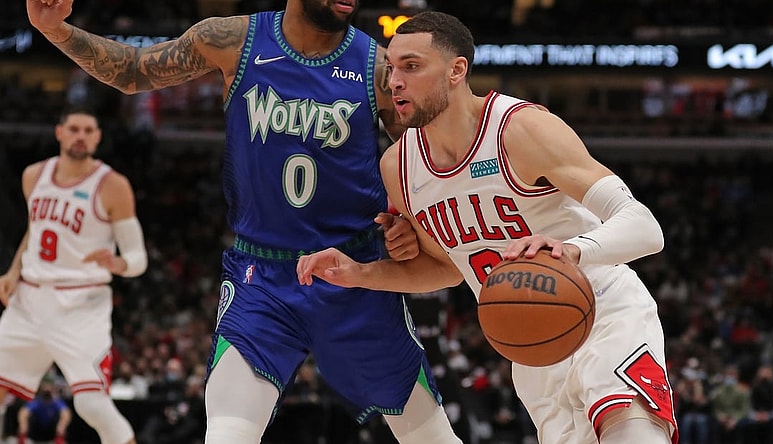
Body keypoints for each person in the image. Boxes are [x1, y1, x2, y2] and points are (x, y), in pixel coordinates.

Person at [26, 1, 462, 443]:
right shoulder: (234, 39)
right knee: (227, 435)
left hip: (356, 273)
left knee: (432, 439)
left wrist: (410, 222)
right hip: (262, 279)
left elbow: (419, 164)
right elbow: (133, 70)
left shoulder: (376, 66)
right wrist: (56, 30)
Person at [297, 11, 680, 444]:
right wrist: (358, 273)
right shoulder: (399, 166)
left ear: (457, 70)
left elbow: (645, 227)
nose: (394, 82)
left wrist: (571, 250)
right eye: (391, 70)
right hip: (530, 346)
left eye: (412, 66)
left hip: (604, 311)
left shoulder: (521, 129)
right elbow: (447, 267)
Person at [0, 106, 146, 444]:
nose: (81, 136)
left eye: (88, 131)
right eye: (74, 129)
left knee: (92, 405)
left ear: (97, 138)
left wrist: (119, 263)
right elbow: (35, 231)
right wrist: (13, 270)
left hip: (82, 303)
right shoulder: (33, 175)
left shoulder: (112, 185)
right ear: (60, 133)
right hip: (30, 299)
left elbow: (138, 258)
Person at [17, 378, 72, 444]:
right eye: (45, 386)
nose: (47, 388)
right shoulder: (37, 401)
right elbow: (24, 412)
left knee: (61, 424)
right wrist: (23, 424)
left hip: (51, 431)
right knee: (25, 422)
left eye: (49, 386)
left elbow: (66, 412)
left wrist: (62, 425)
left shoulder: (56, 401)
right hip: (36, 431)